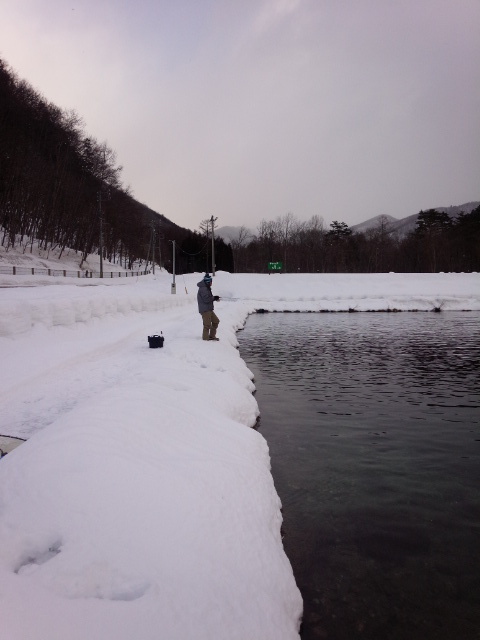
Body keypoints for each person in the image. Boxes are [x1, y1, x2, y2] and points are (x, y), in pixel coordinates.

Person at [197, 273, 220, 341]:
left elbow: (209, 298)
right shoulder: (203, 289)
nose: (211, 283)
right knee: (207, 325)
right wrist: (214, 298)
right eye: (211, 282)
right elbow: (206, 299)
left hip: (209, 309)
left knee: (216, 321)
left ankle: (212, 336)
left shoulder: (206, 288)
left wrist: (215, 298)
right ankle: (205, 340)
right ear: (208, 282)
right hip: (205, 310)